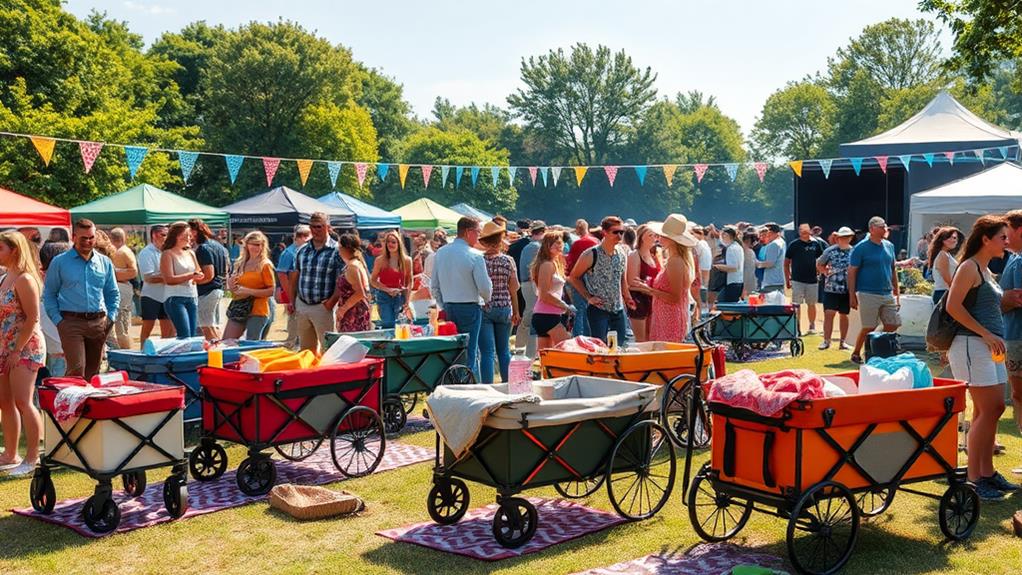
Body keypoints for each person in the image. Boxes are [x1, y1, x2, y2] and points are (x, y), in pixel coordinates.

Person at [946, 215, 1019, 500]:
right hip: (972, 345)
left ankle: (986, 472)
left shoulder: (986, 270)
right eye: (1002, 237)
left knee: (990, 410)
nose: (1007, 241)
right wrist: (986, 334)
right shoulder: (969, 267)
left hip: (987, 347)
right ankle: (975, 480)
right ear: (986, 239)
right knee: (991, 409)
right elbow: (953, 306)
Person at [43, 219, 119, 379]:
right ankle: (71, 403)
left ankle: (89, 404)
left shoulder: (104, 262)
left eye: (91, 237)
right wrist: (59, 321)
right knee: (76, 370)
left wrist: (111, 318)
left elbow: (112, 293)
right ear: (74, 237)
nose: (88, 241)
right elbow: (49, 294)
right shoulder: (60, 262)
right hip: (71, 323)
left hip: (99, 322)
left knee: (94, 372)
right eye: (83, 238)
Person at [0, 231, 45, 475]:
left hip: (25, 347)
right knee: (5, 402)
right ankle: (10, 454)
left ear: (14, 250)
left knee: (23, 401)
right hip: (4, 347)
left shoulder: (25, 279)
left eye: (0, 249)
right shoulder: (5, 276)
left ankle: (31, 458)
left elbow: (32, 318)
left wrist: (16, 350)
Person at [430, 217, 493, 380]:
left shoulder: (441, 253)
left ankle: (455, 384)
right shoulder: (475, 255)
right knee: (470, 353)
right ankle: (470, 387)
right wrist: (486, 299)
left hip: (449, 306)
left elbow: (434, 286)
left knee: (453, 352)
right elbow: (485, 288)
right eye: (478, 232)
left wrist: (443, 305)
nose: (478, 236)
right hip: (470, 307)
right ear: (468, 232)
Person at [568, 216, 636, 343]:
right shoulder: (591, 254)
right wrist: (588, 297)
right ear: (604, 232)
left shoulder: (622, 253)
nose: (619, 236)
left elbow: (622, 279)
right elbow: (573, 277)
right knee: (599, 347)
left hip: (618, 308)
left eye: (622, 232)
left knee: (619, 346)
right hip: (598, 309)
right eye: (615, 232)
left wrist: (628, 298)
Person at [848, 216, 901, 364]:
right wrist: (852, 295)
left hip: (887, 292)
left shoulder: (889, 246)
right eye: (881, 226)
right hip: (867, 292)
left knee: (893, 324)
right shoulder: (861, 248)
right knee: (869, 326)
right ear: (871, 229)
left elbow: (892, 269)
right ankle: (857, 353)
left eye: (885, 226)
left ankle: (880, 349)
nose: (885, 229)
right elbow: (852, 271)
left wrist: (896, 290)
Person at [290, 212, 343, 353]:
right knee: (305, 351)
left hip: (323, 306)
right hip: (302, 304)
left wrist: (331, 302)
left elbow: (341, 280)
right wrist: (293, 301)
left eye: (319, 226)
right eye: (312, 226)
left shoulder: (337, 250)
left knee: (328, 350)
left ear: (328, 227)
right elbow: (295, 276)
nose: (315, 230)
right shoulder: (302, 250)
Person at [644, 214, 697, 343]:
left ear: (672, 239)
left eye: (662, 235)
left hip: (670, 318)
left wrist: (649, 290)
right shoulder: (673, 260)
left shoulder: (675, 262)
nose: (658, 238)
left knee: (665, 355)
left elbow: (675, 297)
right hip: (665, 316)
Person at [479, 221, 520, 383]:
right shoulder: (508, 261)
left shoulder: (479, 261)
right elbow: (514, 288)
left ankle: (487, 387)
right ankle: (508, 385)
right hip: (504, 307)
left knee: (487, 353)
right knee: (504, 351)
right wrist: (516, 311)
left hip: (485, 308)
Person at [999, 210, 1022, 458]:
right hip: (1015, 335)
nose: (1004, 239)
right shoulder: (1015, 258)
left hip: (1018, 336)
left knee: (1019, 395)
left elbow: (1017, 298)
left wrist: (995, 302)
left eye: (1006, 233)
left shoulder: (1020, 260)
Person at [223, 231, 275, 340]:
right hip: (239, 307)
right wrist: (232, 286)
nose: (256, 247)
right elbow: (235, 291)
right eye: (253, 244)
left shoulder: (265, 265)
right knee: (227, 341)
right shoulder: (240, 262)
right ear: (246, 245)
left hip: (258, 309)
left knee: (252, 344)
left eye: (259, 244)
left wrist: (248, 291)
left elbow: (271, 290)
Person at [530, 231, 573, 350]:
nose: (559, 246)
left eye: (560, 243)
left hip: (549, 314)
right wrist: (564, 305)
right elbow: (544, 294)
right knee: (566, 349)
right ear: (547, 245)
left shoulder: (554, 263)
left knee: (547, 357)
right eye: (555, 243)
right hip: (547, 315)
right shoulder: (547, 265)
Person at [159, 222, 202, 339]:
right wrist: (190, 276)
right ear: (177, 236)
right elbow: (169, 279)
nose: (190, 238)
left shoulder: (190, 253)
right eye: (186, 235)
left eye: (189, 235)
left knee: (193, 335)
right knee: (185, 335)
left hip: (192, 297)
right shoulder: (167, 254)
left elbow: (198, 271)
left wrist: (198, 276)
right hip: (175, 298)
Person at [190, 219, 230, 341]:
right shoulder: (219, 246)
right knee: (212, 325)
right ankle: (217, 351)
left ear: (195, 232)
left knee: (206, 326)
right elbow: (227, 269)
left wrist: (190, 282)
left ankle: (215, 352)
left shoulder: (203, 249)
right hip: (218, 290)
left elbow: (208, 275)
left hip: (207, 291)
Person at [816, 227, 855, 350]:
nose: (844, 239)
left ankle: (842, 342)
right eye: (842, 237)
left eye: (847, 237)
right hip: (831, 288)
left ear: (850, 238)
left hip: (847, 288)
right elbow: (819, 263)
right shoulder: (830, 251)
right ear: (837, 238)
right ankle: (826, 341)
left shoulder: (854, 251)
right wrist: (824, 272)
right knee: (829, 313)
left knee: (844, 315)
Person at [785, 223, 827, 333]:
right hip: (797, 279)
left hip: (812, 279)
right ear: (799, 233)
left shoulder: (815, 244)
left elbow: (821, 258)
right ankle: (797, 326)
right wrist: (787, 277)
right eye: (802, 232)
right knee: (796, 304)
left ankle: (812, 326)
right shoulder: (794, 245)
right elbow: (786, 262)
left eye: (807, 232)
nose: (805, 234)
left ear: (810, 232)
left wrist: (821, 271)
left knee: (811, 303)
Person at [137, 225, 175, 344]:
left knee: (168, 330)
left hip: (167, 296)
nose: (166, 238)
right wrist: (170, 278)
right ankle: (143, 353)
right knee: (147, 328)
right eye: (163, 235)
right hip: (151, 296)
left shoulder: (169, 252)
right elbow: (148, 278)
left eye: (167, 235)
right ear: (154, 235)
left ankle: (166, 355)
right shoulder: (146, 252)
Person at [514, 221, 546, 357]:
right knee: (532, 316)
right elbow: (534, 269)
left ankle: (521, 347)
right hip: (531, 283)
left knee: (529, 314)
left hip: (527, 283)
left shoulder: (529, 246)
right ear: (542, 232)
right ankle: (529, 351)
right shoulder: (535, 247)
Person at [276, 224, 310, 348]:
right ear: (301, 237)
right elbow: (281, 274)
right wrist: (291, 298)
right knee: (294, 327)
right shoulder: (289, 253)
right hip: (294, 295)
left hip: (301, 295)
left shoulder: (301, 251)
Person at [371, 230, 413, 329]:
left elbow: (409, 281)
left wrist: (407, 300)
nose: (390, 244)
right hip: (384, 296)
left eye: (393, 242)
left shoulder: (407, 260)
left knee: (400, 325)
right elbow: (373, 280)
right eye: (388, 242)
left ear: (399, 243)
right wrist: (387, 290)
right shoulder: (380, 260)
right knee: (388, 325)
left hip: (400, 296)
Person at [626, 224, 660, 342]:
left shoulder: (654, 255)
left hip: (653, 298)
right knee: (641, 339)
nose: (654, 238)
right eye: (650, 235)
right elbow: (631, 283)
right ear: (641, 237)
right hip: (639, 300)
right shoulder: (635, 255)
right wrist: (650, 289)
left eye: (655, 235)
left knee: (651, 336)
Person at [565, 219, 599, 336]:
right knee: (590, 309)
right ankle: (589, 336)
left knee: (579, 309)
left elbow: (570, 262)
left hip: (578, 277)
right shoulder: (595, 241)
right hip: (593, 277)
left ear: (577, 229)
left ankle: (578, 337)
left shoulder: (577, 243)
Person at [108, 228, 138, 349]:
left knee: (122, 325)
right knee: (118, 325)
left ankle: (126, 352)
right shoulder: (120, 251)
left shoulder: (124, 251)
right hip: (118, 287)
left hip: (122, 287)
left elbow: (133, 272)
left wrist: (114, 274)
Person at [335, 234, 372, 332]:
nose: (338, 250)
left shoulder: (353, 266)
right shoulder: (355, 263)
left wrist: (342, 309)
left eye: (339, 247)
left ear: (345, 248)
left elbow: (360, 293)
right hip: (352, 311)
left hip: (354, 313)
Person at [928, 226, 962, 304]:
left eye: (955, 238)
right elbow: (947, 278)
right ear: (943, 240)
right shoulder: (943, 255)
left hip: (945, 291)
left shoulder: (946, 254)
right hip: (943, 292)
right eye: (951, 237)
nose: (954, 240)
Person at [714, 226, 745, 303]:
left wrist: (717, 267)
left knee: (725, 305)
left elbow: (733, 268)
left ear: (726, 235)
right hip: (738, 282)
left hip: (732, 282)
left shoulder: (731, 248)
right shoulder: (737, 246)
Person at [756, 223, 786, 294]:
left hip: (772, 281)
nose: (766, 235)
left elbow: (770, 263)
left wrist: (756, 263)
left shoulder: (773, 244)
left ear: (771, 232)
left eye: (767, 233)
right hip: (778, 279)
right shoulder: (782, 242)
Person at [691, 225, 712, 307]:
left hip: (701, 271)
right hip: (705, 270)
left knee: (698, 294)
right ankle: (702, 311)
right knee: (703, 292)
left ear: (699, 234)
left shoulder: (699, 244)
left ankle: (699, 313)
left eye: (693, 234)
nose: (692, 236)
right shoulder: (705, 244)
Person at [741, 231, 758, 299]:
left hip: (747, 284)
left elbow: (748, 272)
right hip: (748, 282)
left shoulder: (749, 252)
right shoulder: (749, 252)